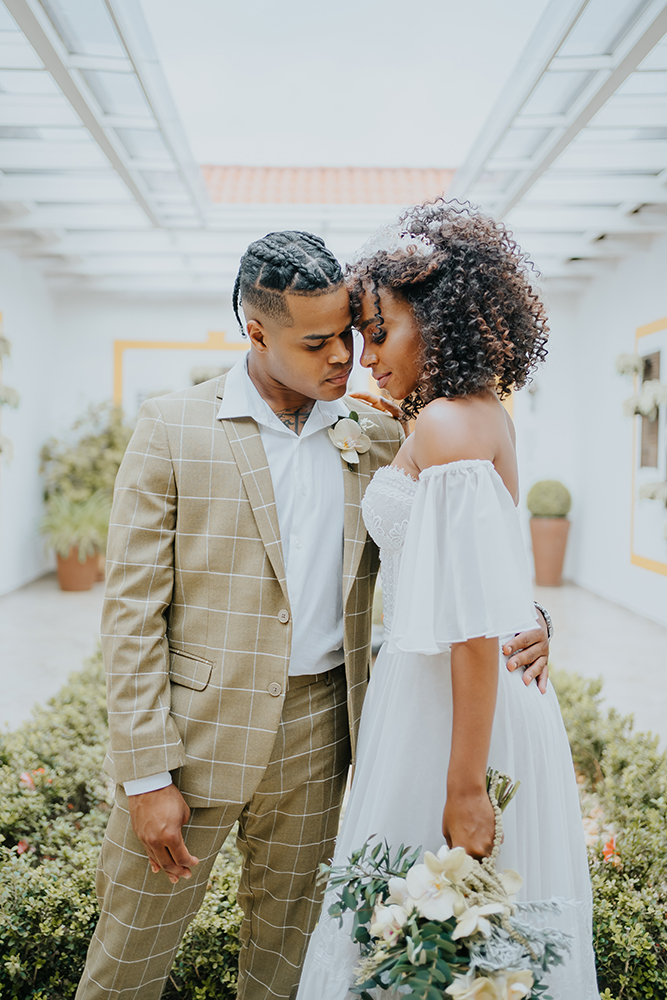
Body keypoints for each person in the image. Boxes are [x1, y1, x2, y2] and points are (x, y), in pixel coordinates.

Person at [76, 229, 551, 1000]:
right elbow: (131, 614)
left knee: (285, 968)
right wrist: (145, 775)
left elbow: (462, 552)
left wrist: (533, 620)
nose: (345, 357)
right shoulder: (173, 428)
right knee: (125, 966)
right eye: (319, 341)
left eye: (351, 333)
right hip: (194, 741)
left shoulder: (379, 431)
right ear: (255, 333)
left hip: (324, 736)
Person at [297, 202, 599, 1000]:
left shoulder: (443, 427)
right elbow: (495, 583)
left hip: (454, 713)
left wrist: (464, 786)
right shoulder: (472, 415)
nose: (365, 358)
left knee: (438, 935)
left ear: (439, 319)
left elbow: (469, 626)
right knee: (471, 947)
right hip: (462, 695)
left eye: (378, 331)